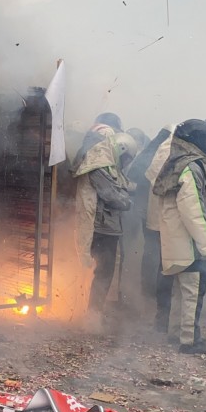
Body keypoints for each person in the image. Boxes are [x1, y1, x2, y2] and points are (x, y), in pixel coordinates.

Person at [153, 119, 206, 355]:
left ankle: (176, 333)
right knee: (193, 292)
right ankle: (190, 341)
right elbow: (193, 210)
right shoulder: (191, 167)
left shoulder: (178, 163)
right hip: (189, 244)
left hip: (178, 242)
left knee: (181, 291)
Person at [71, 132, 137, 324]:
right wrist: (128, 202)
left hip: (105, 224)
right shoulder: (99, 163)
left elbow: (120, 184)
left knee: (104, 271)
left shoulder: (105, 160)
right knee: (103, 271)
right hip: (101, 226)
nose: (125, 162)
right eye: (126, 158)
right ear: (122, 149)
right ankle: (93, 315)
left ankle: (95, 312)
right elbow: (111, 195)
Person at [138, 126, 176, 330]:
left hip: (153, 219)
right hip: (168, 222)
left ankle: (147, 297)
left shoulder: (156, 152)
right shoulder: (174, 153)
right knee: (165, 266)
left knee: (153, 258)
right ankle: (161, 314)